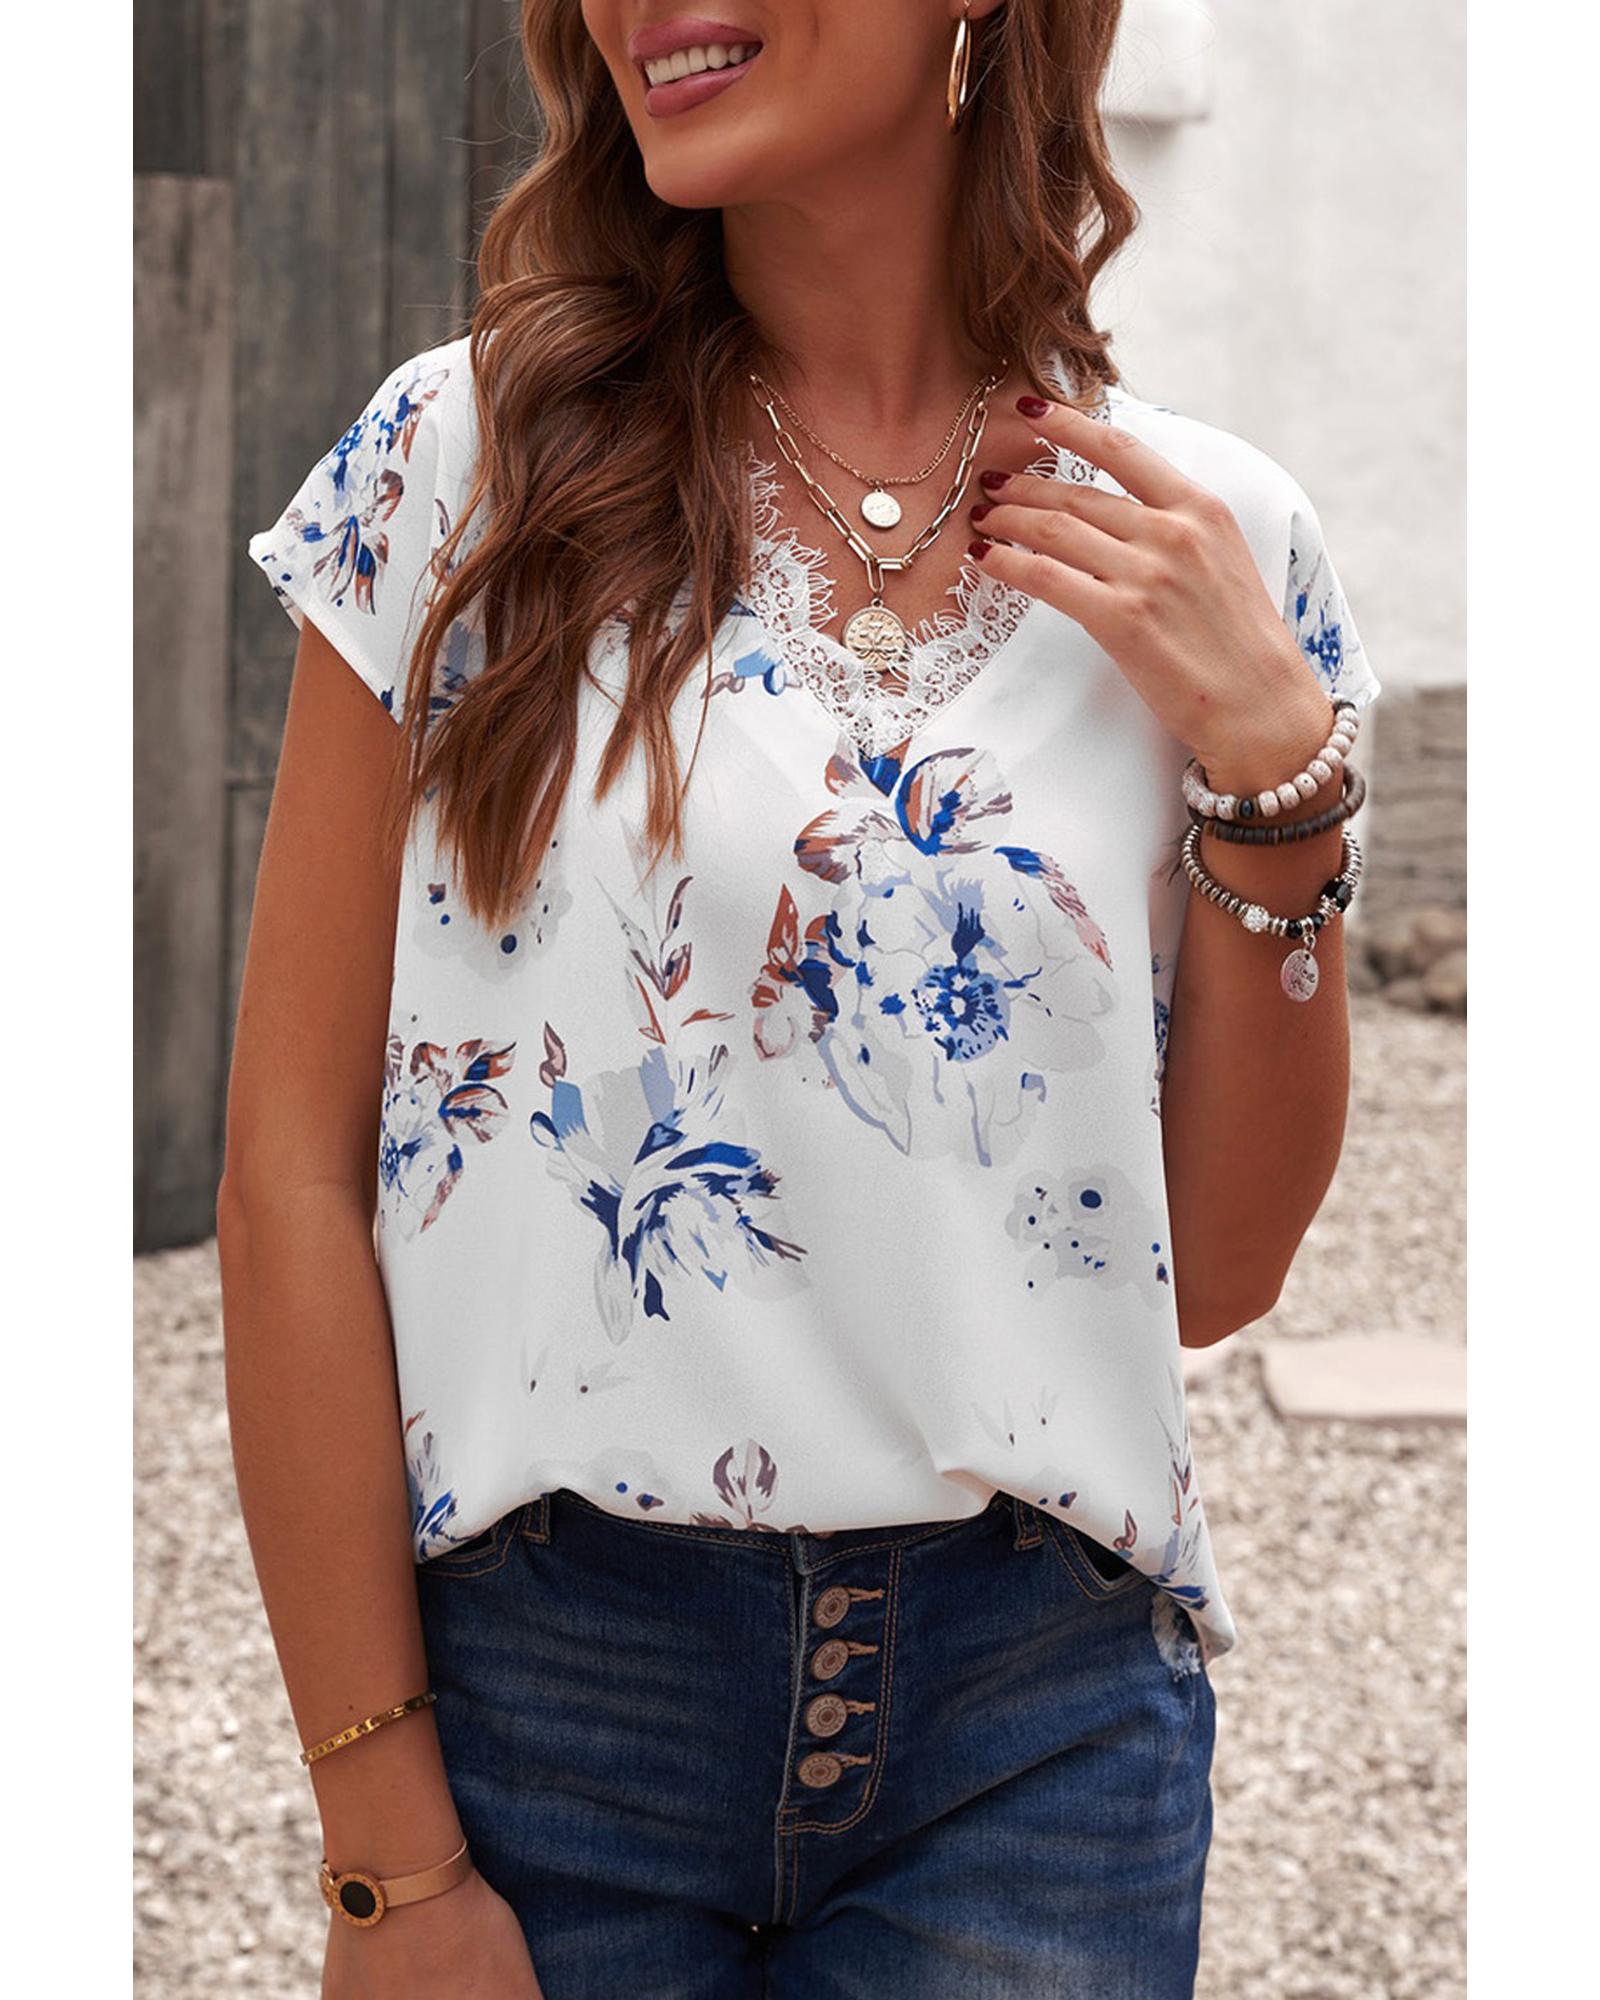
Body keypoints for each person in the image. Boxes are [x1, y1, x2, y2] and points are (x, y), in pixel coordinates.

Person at [219, 3, 1381, 1995]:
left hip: (1039, 1741)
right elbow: (287, 1184)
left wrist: (1277, 782)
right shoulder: (459, 472)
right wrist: (384, 1863)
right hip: (544, 1717)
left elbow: (1219, 1267)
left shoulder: (1210, 544)